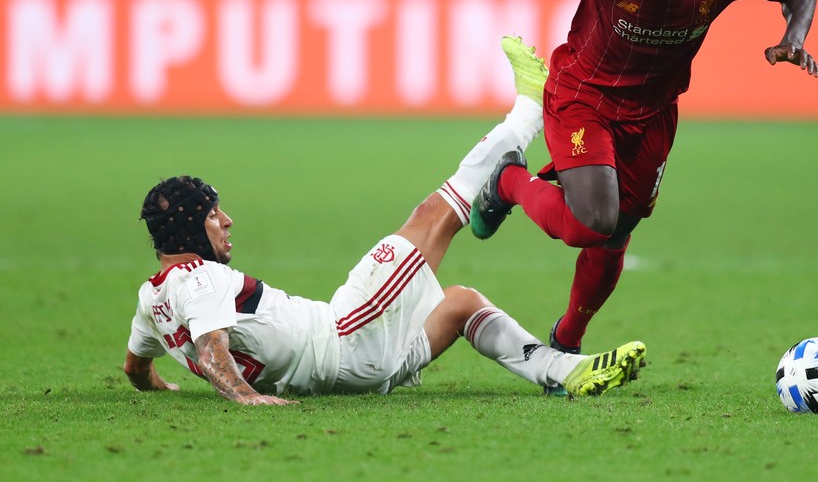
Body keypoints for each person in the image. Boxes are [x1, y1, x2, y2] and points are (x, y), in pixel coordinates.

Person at [377, 0, 818, 393]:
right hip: (584, 97)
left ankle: (566, 341)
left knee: (616, 234)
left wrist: (793, 37)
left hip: (653, 113)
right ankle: (509, 182)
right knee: (593, 221)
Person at [122, 39, 647, 405]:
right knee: (436, 214)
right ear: (190, 229)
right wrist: (246, 397)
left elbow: (135, 368)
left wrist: (159, 385)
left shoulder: (152, 299)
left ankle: (563, 370)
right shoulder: (201, 279)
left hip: (361, 371)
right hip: (345, 337)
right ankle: (530, 108)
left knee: (460, 304)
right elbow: (212, 347)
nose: (227, 221)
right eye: (214, 215)